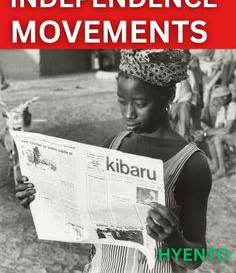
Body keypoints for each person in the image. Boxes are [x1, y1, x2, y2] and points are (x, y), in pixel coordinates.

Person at [15, 49, 211, 273]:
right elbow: (80, 210)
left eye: (140, 103)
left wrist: (172, 237)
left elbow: (194, 258)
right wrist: (39, 196)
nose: (128, 113)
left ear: (169, 95)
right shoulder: (113, 145)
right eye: (121, 101)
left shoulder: (191, 164)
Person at [200, 85, 236, 179]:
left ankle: (222, 169)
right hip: (232, 135)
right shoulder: (224, 108)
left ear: (225, 97)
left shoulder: (232, 106)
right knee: (211, 138)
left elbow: (227, 129)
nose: (218, 101)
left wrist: (206, 133)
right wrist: (205, 133)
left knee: (217, 138)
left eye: (219, 98)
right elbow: (218, 127)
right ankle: (216, 166)